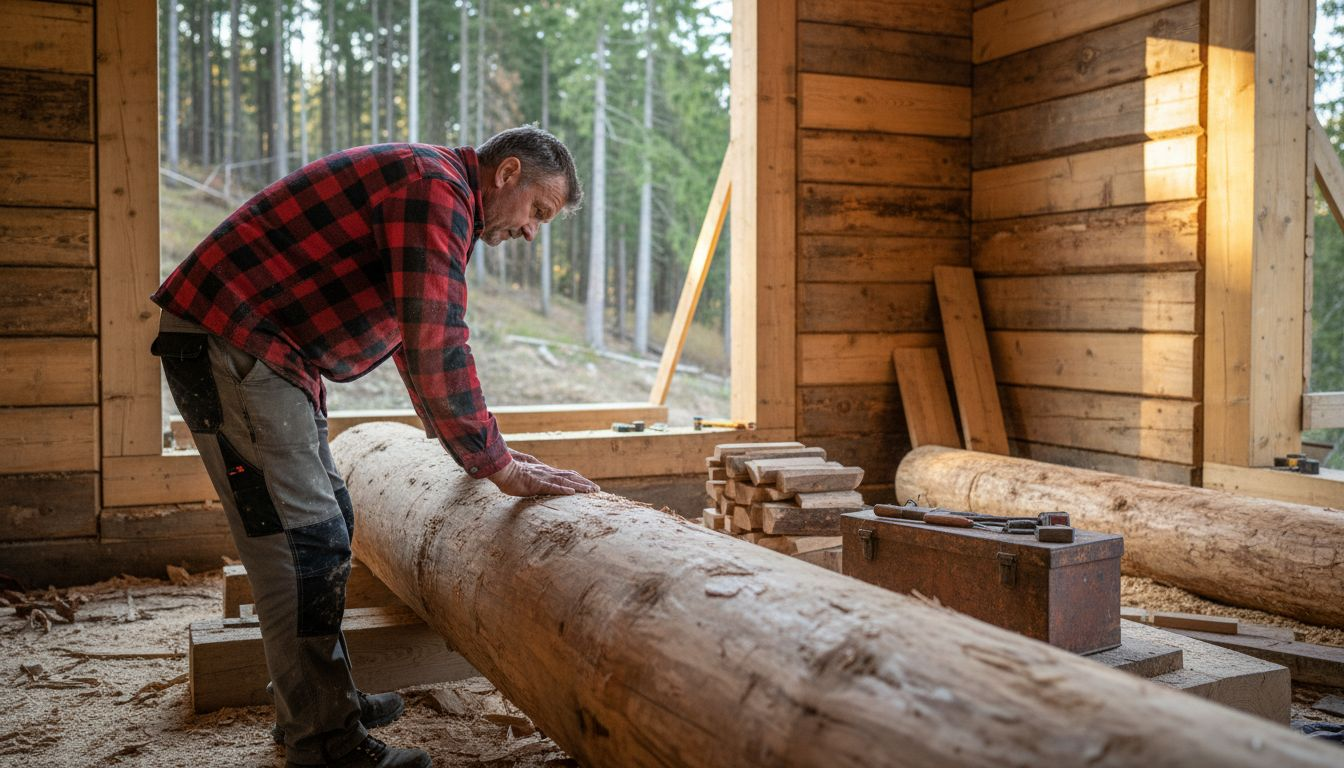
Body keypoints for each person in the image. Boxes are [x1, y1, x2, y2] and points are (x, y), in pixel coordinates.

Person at [150, 126, 599, 767]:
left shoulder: (437, 189)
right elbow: (437, 341)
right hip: (233, 340)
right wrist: (494, 463)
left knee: (328, 518)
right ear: (507, 173)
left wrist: (482, 451)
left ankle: (319, 700)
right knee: (300, 544)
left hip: (259, 348)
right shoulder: (435, 189)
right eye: (538, 211)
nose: (532, 232)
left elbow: (419, 341)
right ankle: (324, 742)